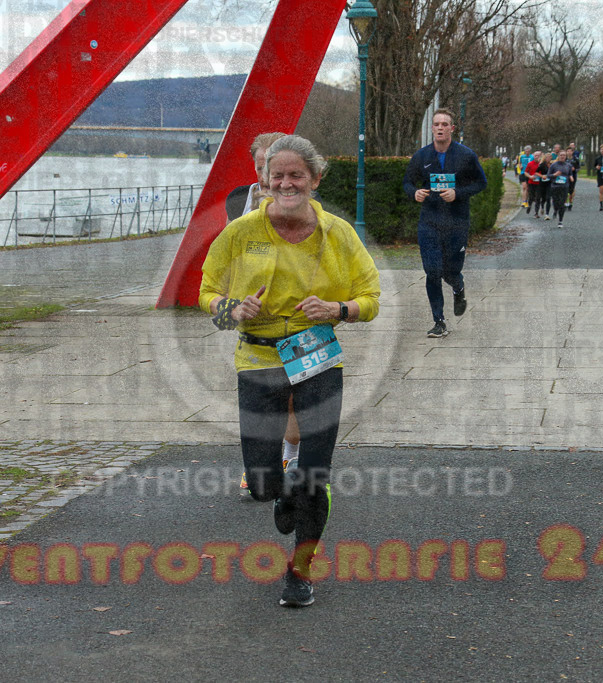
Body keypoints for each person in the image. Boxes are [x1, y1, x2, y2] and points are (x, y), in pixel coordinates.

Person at [200, 134, 381, 607]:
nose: (285, 183)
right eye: (276, 175)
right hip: (258, 360)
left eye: (296, 175)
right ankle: (280, 495)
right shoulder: (241, 233)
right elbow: (206, 292)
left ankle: (299, 574)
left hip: (318, 359)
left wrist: (339, 309)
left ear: (315, 179)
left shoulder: (337, 232)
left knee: (314, 475)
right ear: (263, 181)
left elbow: (371, 299)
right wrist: (231, 311)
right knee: (263, 484)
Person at [225, 132, 302, 488]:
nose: (268, 174)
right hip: (252, 318)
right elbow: (226, 253)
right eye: (262, 166)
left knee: (292, 396)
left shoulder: (303, 204)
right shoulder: (237, 201)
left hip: (297, 315)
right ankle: (261, 463)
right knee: (260, 395)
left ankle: (292, 457)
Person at [403, 109, 488, 337]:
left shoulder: (466, 155)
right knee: (432, 271)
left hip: (457, 222)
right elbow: (407, 183)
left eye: (445, 124)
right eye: (436, 124)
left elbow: (481, 183)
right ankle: (439, 321)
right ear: (432, 128)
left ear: (452, 128)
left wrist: (457, 193)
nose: (440, 128)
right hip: (429, 221)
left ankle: (458, 287)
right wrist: (415, 193)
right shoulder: (421, 156)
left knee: (450, 272)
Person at [548, 153, 572, 228]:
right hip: (555, 186)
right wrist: (554, 175)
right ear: (558, 156)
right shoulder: (553, 165)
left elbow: (570, 174)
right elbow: (548, 175)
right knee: (555, 202)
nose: (562, 156)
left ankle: (560, 221)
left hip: (564, 186)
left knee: (562, 203)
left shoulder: (568, 165)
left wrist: (571, 178)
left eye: (564, 155)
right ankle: (555, 210)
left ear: (566, 157)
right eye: (561, 155)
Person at [524, 150, 544, 218]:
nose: (537, 157)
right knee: (531, 197)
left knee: (538, 198)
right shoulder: (530, 163)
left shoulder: (542, 164)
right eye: (535, 155)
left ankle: (536, 213)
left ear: (541, 156)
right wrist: (530, 176)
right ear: (533, 156)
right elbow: (526, 172)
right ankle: (529, 206)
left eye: (538, 155)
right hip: (531, 182)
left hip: (539, 183)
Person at [536, 152, 552, 220]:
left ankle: (547, 214)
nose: (548, 158)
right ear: (545, 158)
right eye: (547, 157)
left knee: (548, 198)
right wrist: (542, 176)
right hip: (542, 183)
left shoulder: (552, 165)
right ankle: (542, 206)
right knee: (543, 198)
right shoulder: (542, 165)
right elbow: (536, 172)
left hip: (550, 183)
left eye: (549, 157)